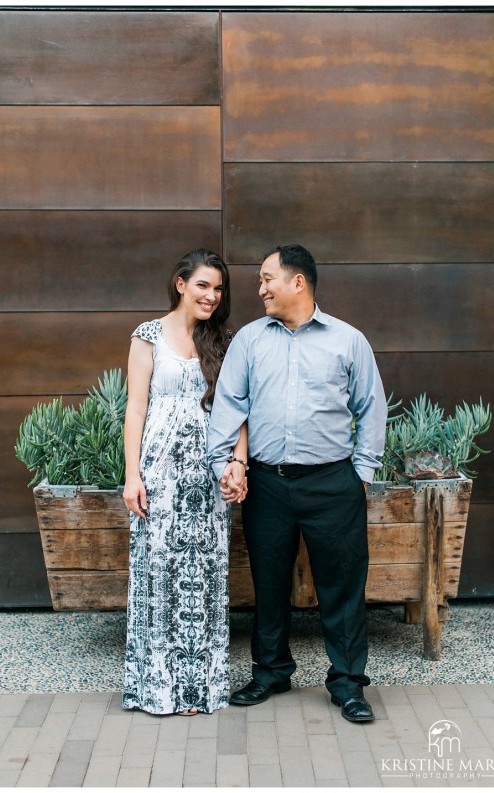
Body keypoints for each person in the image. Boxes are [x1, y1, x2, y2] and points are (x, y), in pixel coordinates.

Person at [207, 244, 387, 723]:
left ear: (298, 282)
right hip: (267, 484)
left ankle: (348, 684)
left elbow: (371, 406)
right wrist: (226, 461)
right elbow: (229, 403)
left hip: (332, 483)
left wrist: (361, 474)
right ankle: (270, 673)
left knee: (343, 586)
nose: (260, 287)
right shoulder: (249, 340)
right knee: (268, 582)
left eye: (267, 278)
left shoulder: (348, 340)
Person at [122, 249, 247, 716]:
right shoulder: (148, 336)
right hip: (158, 475)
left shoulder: (226, 341)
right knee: (161, 576)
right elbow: (135, 409)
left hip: (208, 479)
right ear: (180, 284)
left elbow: (238, 412)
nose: (212, 296)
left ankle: (197, 689)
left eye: (218, 289)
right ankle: (157, 689)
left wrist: (239, 461)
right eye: (203, 286)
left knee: (202, 579)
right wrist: (132, 475)